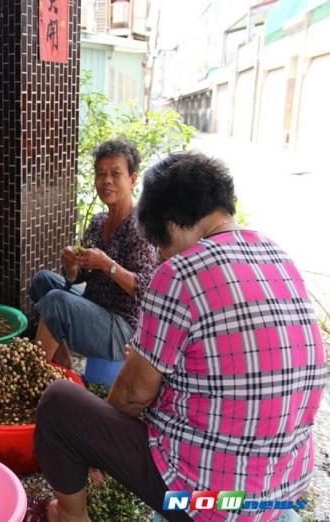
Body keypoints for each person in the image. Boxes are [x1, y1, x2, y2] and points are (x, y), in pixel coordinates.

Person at [34, 151, 327, 521]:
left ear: (170, 225)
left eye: (160, 245)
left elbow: (131, 395)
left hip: (211, 504)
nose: (161, 255)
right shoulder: (281, 260)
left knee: (59, 402)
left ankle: (69, 516)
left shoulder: (181, 272)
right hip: (281, 493)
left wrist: (99, 447)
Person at [29, 138, 158, 366]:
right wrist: (71, 265)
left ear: (133, 179)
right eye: (100, 174)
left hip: (122, 328)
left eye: (115, 174)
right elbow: (79, 277)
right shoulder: (99, 222)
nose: (106, 180)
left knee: (56, 302)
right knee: (42, 281)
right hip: (94, 306)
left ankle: (34, 375)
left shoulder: (141, 228)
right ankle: (61, 363)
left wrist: (108, 265)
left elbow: (148, 291)